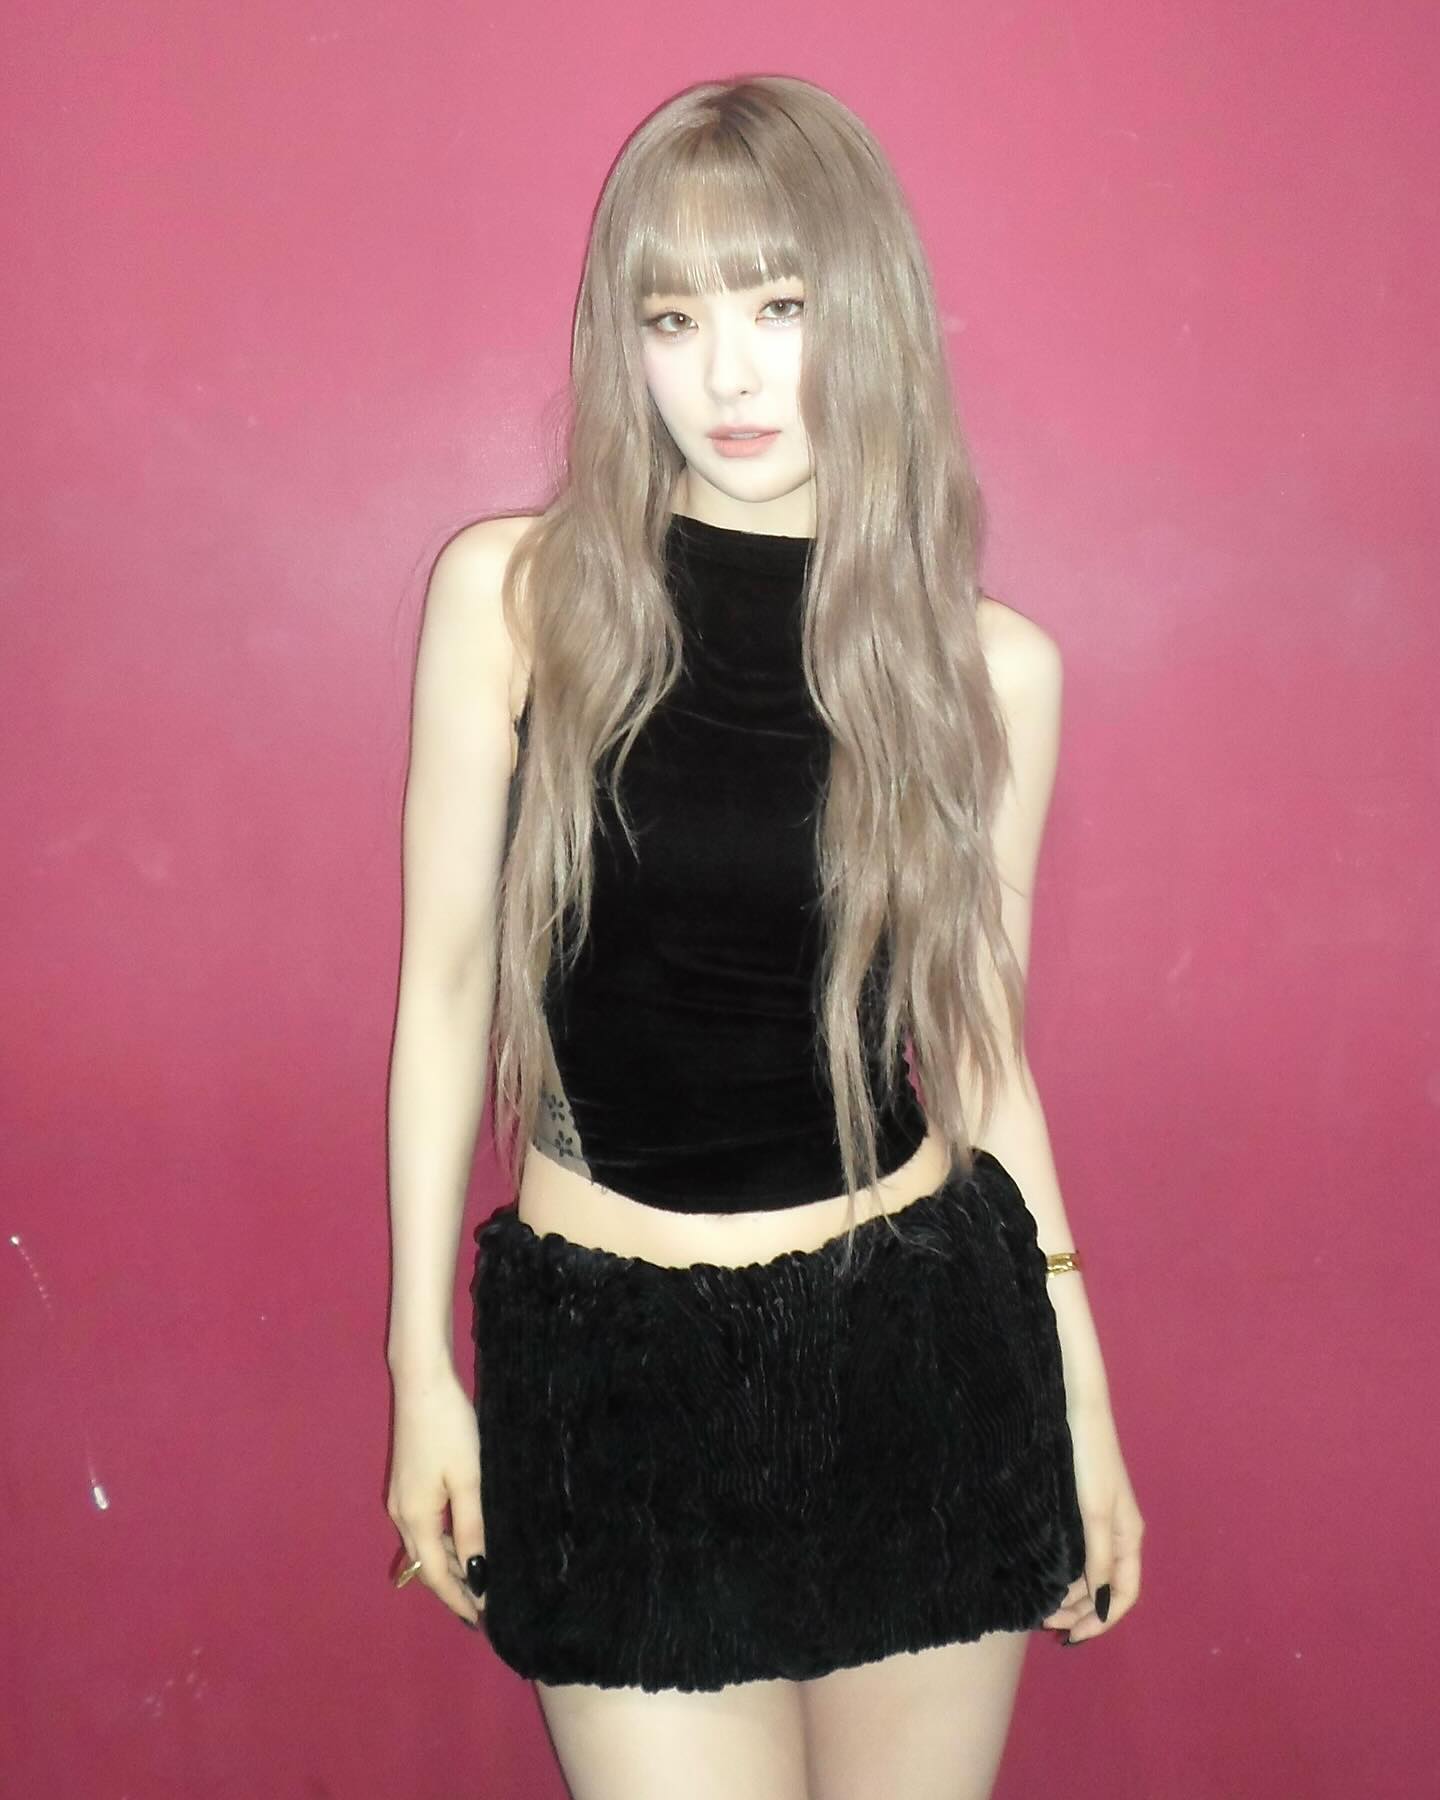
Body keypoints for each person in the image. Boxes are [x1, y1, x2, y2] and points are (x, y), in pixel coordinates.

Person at [384, 72, 1144, 1800]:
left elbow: (980, 1059)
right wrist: (421, 1365)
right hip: (615, 1376)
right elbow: (442, 999)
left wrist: (1083, 1406)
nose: (727, 375)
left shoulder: (987, 675)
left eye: (779, 308)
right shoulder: (518, 599)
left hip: (918, 1360)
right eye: (675, 318)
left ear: (867, 317)